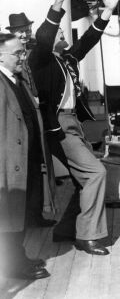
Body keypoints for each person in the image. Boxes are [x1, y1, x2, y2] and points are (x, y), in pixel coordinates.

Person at [30, 0, 120, 256]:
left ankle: (65, 229)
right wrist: (58, 3)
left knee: (84, 179)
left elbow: (89, 40)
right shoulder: (40, 59)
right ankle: (88, 235)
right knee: (96, 174)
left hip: (74, 124)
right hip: (59, 127)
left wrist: (107, 12)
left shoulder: (66, 58)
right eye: (59, 32)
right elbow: (45, 36)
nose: (62, 33)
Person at [0, 33, 50, 280]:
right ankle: (14, 264)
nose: (23, 57)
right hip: (8, 165)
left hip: (25, 160)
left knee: (18, 215)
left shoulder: (16, 79)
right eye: (18, 53)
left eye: (23, 52)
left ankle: (16, 258)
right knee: (10, 217)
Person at [7, 12, 57, 228]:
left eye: (27, 30)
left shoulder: (33, 51)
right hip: (20, 116)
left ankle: (36, 215)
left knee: (38, 170)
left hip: (37, 111)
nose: (25, 34)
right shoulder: (12, 57)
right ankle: (26, 219)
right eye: (21, 31)